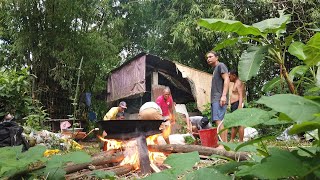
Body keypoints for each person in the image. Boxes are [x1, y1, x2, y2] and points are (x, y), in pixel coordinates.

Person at [206, 51, 230, 142]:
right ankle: (224, 144)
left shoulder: (221, 66)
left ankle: (223, 144)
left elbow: (227, 79)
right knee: (219, 121)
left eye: (210, 57)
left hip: (219, 98)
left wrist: (223, 96)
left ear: (217, 57)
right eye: (207, 57)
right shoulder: (215, 69)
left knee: (219, 121)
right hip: (216, 98)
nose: (208, 59)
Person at [229, 70, 246, 142]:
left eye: (230, 76)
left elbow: (241, 94)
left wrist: (239, 106)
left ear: (234, 75)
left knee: (239, 123)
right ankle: (232, 140)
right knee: (235, 123)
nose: (229, 78)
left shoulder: (238, 82)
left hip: (237, 104)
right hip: (235, 104)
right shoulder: (236, 82)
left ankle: (239, 140)